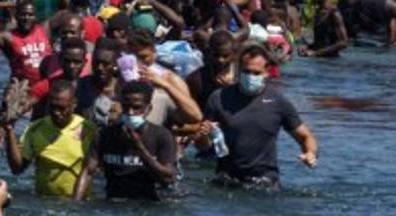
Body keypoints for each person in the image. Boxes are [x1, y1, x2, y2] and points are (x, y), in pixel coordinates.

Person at [200, 42, 319, 187]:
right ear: (239, 70)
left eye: (256, 73)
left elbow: (305, 137)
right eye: (246, 72)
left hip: (265, 181)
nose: (250, 77)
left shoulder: (278, 101)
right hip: (227, 179)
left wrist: (310, 153)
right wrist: (203, 135)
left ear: (266, 72)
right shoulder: (219, 98)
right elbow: (202, 144)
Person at [74, 79, 178, 200]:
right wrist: (76, 204)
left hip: (148, 204)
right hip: (113, 203)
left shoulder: (161, 136)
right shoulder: (105, 135)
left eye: (136, 108)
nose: (130, 112)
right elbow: (88, 171)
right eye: (126, 107)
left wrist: (139, 148)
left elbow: (167, 178)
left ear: (148, 109)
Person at [6, 78, 98, 197]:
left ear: (74, 104)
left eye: (62, 108)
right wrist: (9, 130)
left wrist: (76, 204)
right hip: (43, 201)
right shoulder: (36, 129)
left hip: (77, 203)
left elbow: (94, 169)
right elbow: (17, 169)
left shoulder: (88, 130)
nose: (56, 112)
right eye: (52, 107)